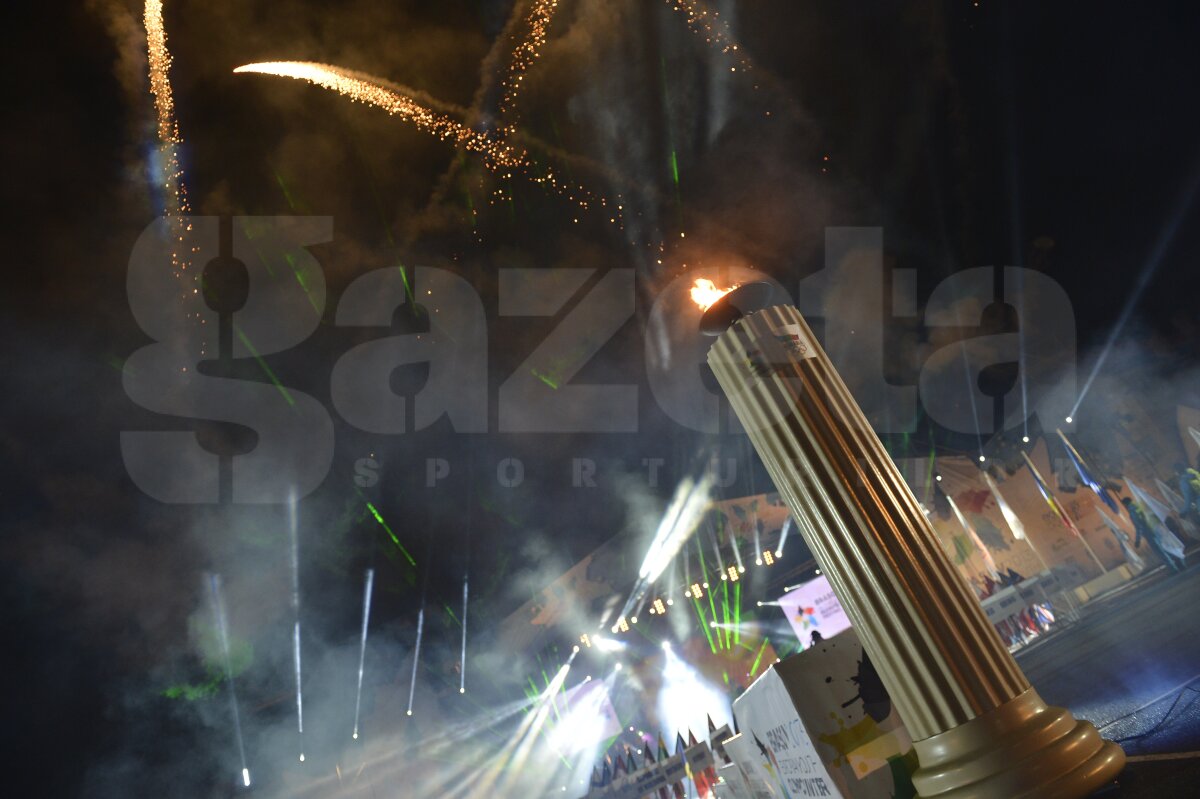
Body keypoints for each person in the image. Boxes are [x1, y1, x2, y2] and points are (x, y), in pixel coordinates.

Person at [1122, 496, 1185, 573]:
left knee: (1160, 552)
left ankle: (1173, 569)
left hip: (1149, 533)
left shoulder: (1132, 511)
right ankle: (1180, 563)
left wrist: (1138, 540)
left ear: (1125, 504)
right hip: (1156, 528)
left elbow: (1139, 526)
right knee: (1167, 547)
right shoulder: (1139, 505)